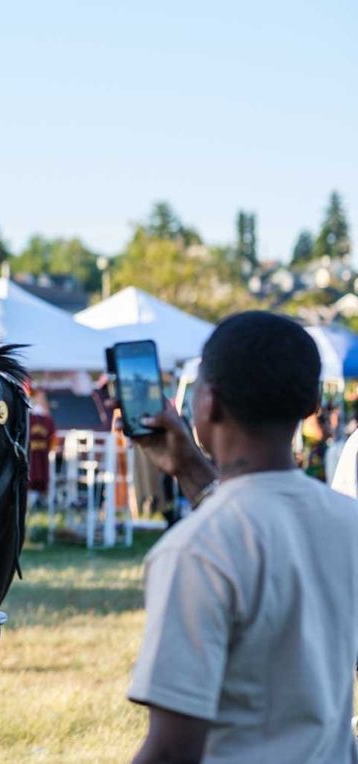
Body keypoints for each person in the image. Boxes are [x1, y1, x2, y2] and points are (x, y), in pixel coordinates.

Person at [126, 311, 358, 763]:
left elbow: (172, 751)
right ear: (311, 403)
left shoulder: (193, 551)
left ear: (208, 403)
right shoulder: (349, 521)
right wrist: (190, 468)